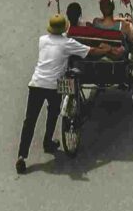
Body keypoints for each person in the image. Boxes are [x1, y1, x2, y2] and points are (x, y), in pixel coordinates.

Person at [18, 13, 90, 172]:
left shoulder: (42, 40)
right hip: (56, 85)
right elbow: (89, 51)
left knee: (29, 120)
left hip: (36, 83)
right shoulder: (67, 43)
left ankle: (21, 156)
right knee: (53, 112)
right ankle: (48, 142)